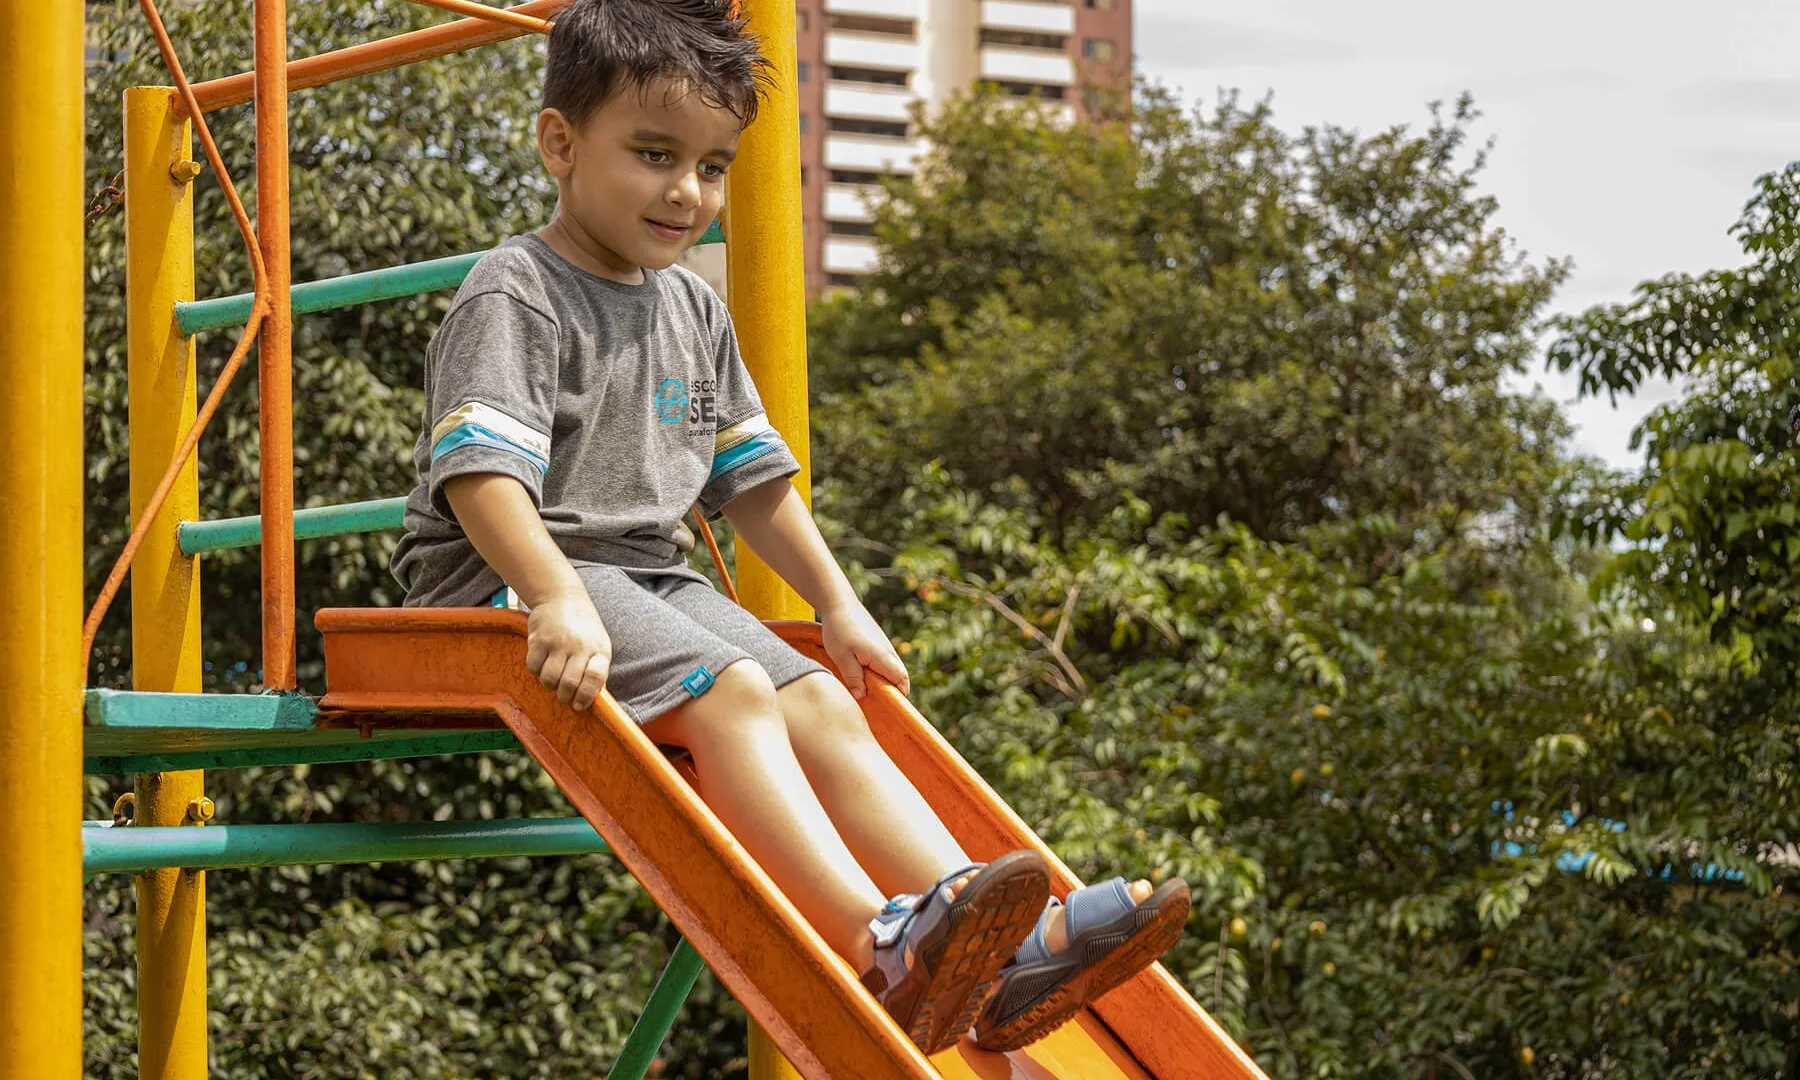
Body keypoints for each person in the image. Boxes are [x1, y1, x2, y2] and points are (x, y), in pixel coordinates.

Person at [389, 0, 1188, 1055]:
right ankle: (881, 941)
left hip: (644, 580)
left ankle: (1008, 948)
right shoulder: (520, 291)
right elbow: (480, 476)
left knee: (819, 700)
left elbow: (751, 477)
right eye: (655, 153)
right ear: (559, 143)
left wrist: (838, 606)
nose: (688, 191)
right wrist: (554, 595)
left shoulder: (691, 305)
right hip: (507, 577)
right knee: (735, 695)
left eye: (713, 166)